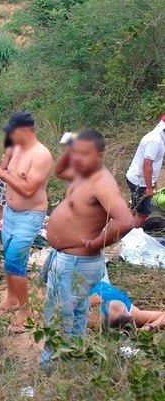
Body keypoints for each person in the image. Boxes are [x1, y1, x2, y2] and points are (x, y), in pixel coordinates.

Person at [41, 130, 134, 367]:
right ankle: (53, 364)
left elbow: (125, 220)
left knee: (67, 318)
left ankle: (66, 370)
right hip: (64, 259)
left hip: (77, 263)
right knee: (60, 314)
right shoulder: (83, 173)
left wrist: (96, 243)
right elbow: (59, 171)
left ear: (100, 155)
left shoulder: (102, 182)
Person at [0, 112, 52, 330]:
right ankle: (12, 299)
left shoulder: (41, 155)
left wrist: (1, 174)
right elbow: (9, 172)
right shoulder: (17, 148)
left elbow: (29, 189)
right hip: (11, 213)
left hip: (30, 215)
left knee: (14, 261)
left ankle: (26, 310)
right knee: (8, 255)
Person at [125, 116, 165, 228]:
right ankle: (130, 235)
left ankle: (122, 228)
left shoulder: (157, 137)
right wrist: (148, 187)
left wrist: (153, 183)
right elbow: (147, 165)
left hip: (137, 179)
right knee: (143, 214)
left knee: (134, 207)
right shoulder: (155, 141)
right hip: (140, 182)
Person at [88, 280, 165, 331]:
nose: (120, 309)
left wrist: (87, 303)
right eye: (124, 312)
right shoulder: (132, 312)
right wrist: (148, 328)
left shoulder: (93, 319)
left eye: (116, 311)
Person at [0, 134, 14, 230]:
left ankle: (0, 229)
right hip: (12, 182)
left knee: (2, 209)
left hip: (5, 183)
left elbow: (2, 168)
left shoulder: (9, 149)